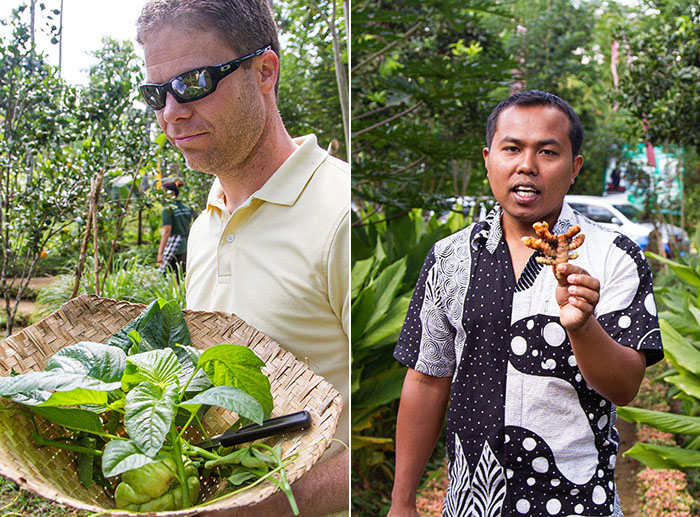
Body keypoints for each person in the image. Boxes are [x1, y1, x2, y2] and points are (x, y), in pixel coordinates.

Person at [389, 90, 663, 517]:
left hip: (577, 503)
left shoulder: (612, 254)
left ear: (574, 169)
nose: (526, 166)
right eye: (512, 148)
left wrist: (582, 326)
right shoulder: (450, 257)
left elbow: (625, 387)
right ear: (488, 158)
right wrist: (401, 502)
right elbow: (427, 379)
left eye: (547, 152)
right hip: (471, 504)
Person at [136, 1, 349, 515]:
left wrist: (251, 507)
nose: (171, 111)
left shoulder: (341, 212)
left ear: (264, 72)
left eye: (193, 82)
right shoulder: (209, 220)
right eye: (156, 94)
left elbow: (384, 431)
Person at [156, 180, 193, 275]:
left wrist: (160, 253)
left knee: (166, 275)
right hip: (186, 246)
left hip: (174, 247)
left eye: (162, 192)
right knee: (182, 276)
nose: (161, 195)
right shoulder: (186, 208)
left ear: (171, 193)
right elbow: (189, 227)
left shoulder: (167, 209)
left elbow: (167, 232)